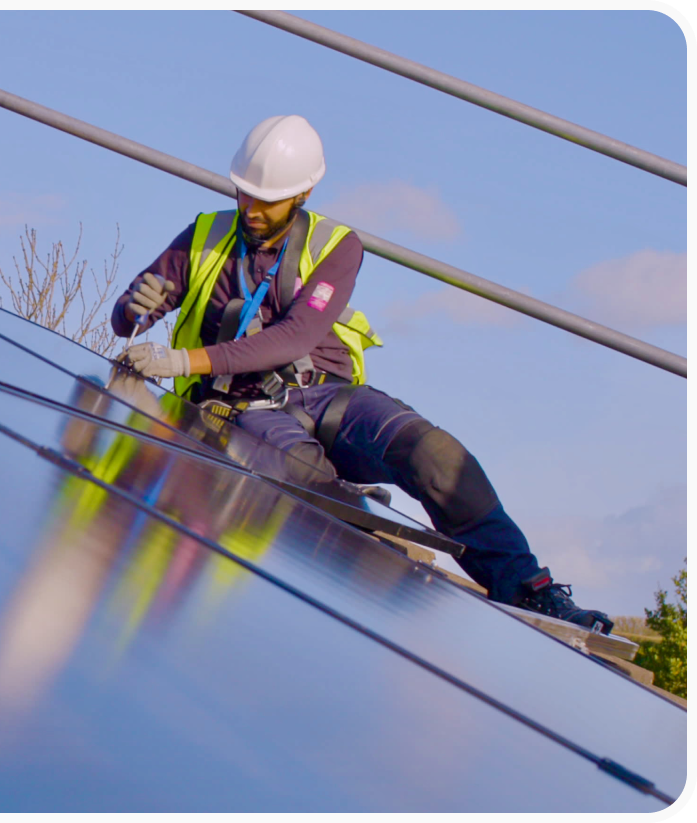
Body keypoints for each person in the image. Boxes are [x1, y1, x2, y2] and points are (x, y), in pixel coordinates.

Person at [112, 114, 613, 634]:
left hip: (324, 394)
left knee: (436, 456)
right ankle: (382, 576)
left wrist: (184, 361)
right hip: (238, 410)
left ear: (304, 192)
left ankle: (531, 590)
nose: (251, 209)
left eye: (268, 199)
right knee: (310, 484)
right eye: (244, 194)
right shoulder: (203, 236)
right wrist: (134, 308)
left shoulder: (336, 246)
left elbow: (296, 337)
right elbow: (126, 316)